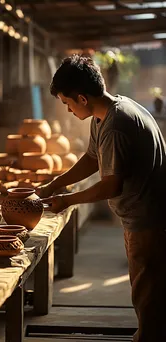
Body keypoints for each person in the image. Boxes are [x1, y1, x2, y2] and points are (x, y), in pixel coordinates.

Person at [38, 54, 166, 342]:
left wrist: (67, 200)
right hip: (142, 216)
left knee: (150, 297)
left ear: (82, 98)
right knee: (147, 290)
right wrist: (53, 186)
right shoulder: (109, 111)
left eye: (67, 104)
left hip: (150, 221)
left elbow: (111, 186)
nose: (68, 111)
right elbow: (91, 158)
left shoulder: (116, 125)